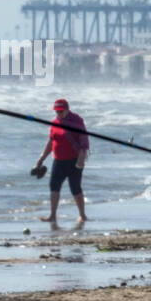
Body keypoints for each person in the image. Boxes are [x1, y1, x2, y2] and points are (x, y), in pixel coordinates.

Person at [34, 97, 89, 226]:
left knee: (75, 188)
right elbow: (51, 141)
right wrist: (42, 158)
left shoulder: (77, 121)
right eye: (56, 112)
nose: (58, 114)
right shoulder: (55, 123)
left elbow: (84, 140)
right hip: (58, 161)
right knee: (54, 186)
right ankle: (52, 215)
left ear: (67, 110)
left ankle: (82, 215)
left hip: (74, 160)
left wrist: (81, 158)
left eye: (61, 111)